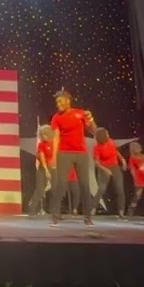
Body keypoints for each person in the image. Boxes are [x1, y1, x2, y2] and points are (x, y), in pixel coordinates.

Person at [48, 89, 95, 226]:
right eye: (56, 102)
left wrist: (91, 119)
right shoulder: (56, 117)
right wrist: (54, 157)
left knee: (84, 184)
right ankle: (55, 215)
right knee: (61, 184)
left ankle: (88, 217)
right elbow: (56, 137)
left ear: (68, 101)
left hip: (81, 153)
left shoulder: (80, 113)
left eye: (60, 101)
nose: (58, 104)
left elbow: (93, 130)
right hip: (64, 153)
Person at [88, 128, 127, 219]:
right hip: (103, 167)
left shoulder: (110, 141)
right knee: (102, 189)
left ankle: (121, 212)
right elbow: (97, 163)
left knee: (120, 189)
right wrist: (105, 170)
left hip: (115, 166)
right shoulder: (97, 147)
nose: (108, 135)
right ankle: (93, 209)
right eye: (106, 133)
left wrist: (123, 160)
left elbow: (115, 151)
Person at [29, 125, 55, 216]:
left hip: (53, 167)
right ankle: (32, 210)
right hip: (43, 168)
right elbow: (42, 159)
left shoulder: (55, 143)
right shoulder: (41, 145)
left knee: (56, 189)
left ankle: (55, 211)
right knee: (40, 189)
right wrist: (46, 170)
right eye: (42, 135)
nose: (43, 136)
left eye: (45, 134)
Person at [126, 140, 144, 217]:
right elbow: (132, 169)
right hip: (139, 179)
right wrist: (135, 178)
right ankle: (130, 212)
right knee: (137, 196)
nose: (138, 149)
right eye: (136, 148)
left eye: (138, 147)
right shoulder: (132, 158)